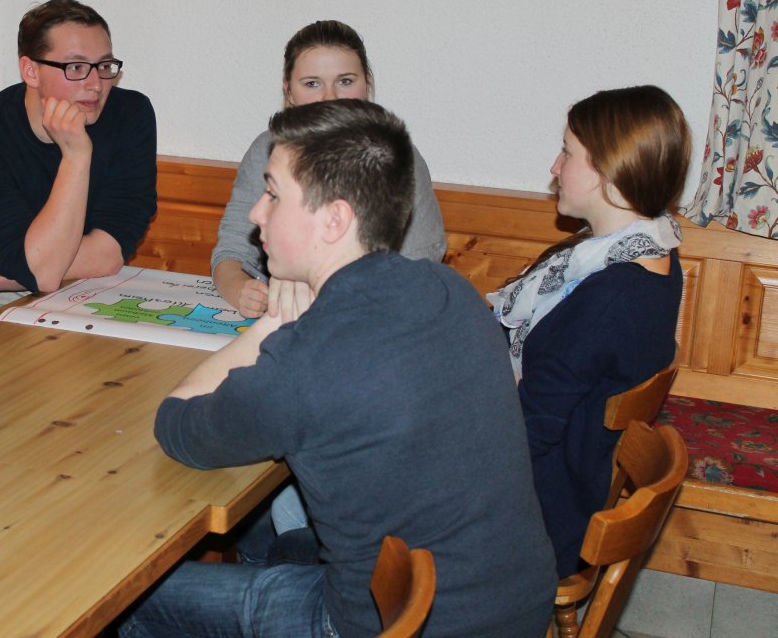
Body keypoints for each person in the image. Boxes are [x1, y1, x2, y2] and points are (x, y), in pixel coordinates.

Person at [120, 100, 555, 638]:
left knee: (133, 600)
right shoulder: (450, 290)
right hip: (513, 602)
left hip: (391, 625)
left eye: (273, 194)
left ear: (334, 220)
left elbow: (176, 424)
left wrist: (271, 325)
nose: (256, 213)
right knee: (275, 542)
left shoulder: (308, 362)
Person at [488, 85, 691, 578]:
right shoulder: (643, 253)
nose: (554, 167)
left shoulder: (613, 297)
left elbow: (527, 431)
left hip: (540, 510)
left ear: (611, 175)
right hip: (563, 476)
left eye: (567, 153)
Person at [0, 0, 157, 335]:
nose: (96, 84)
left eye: (105, 65)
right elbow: (42, 272)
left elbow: (108, 256)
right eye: (76, 67)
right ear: (31, 71)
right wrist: (76, 155)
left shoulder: (129, 115)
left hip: (80, 295)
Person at [212, 20, 445, 320]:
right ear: (289, 91)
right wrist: (241, 290)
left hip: (371, 318)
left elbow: (420, 266)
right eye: (312, 83)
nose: (330, 97)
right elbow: (231, 251)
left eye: (345, 81)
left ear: (367, 84)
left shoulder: (396, 158)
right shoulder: (267, 150)